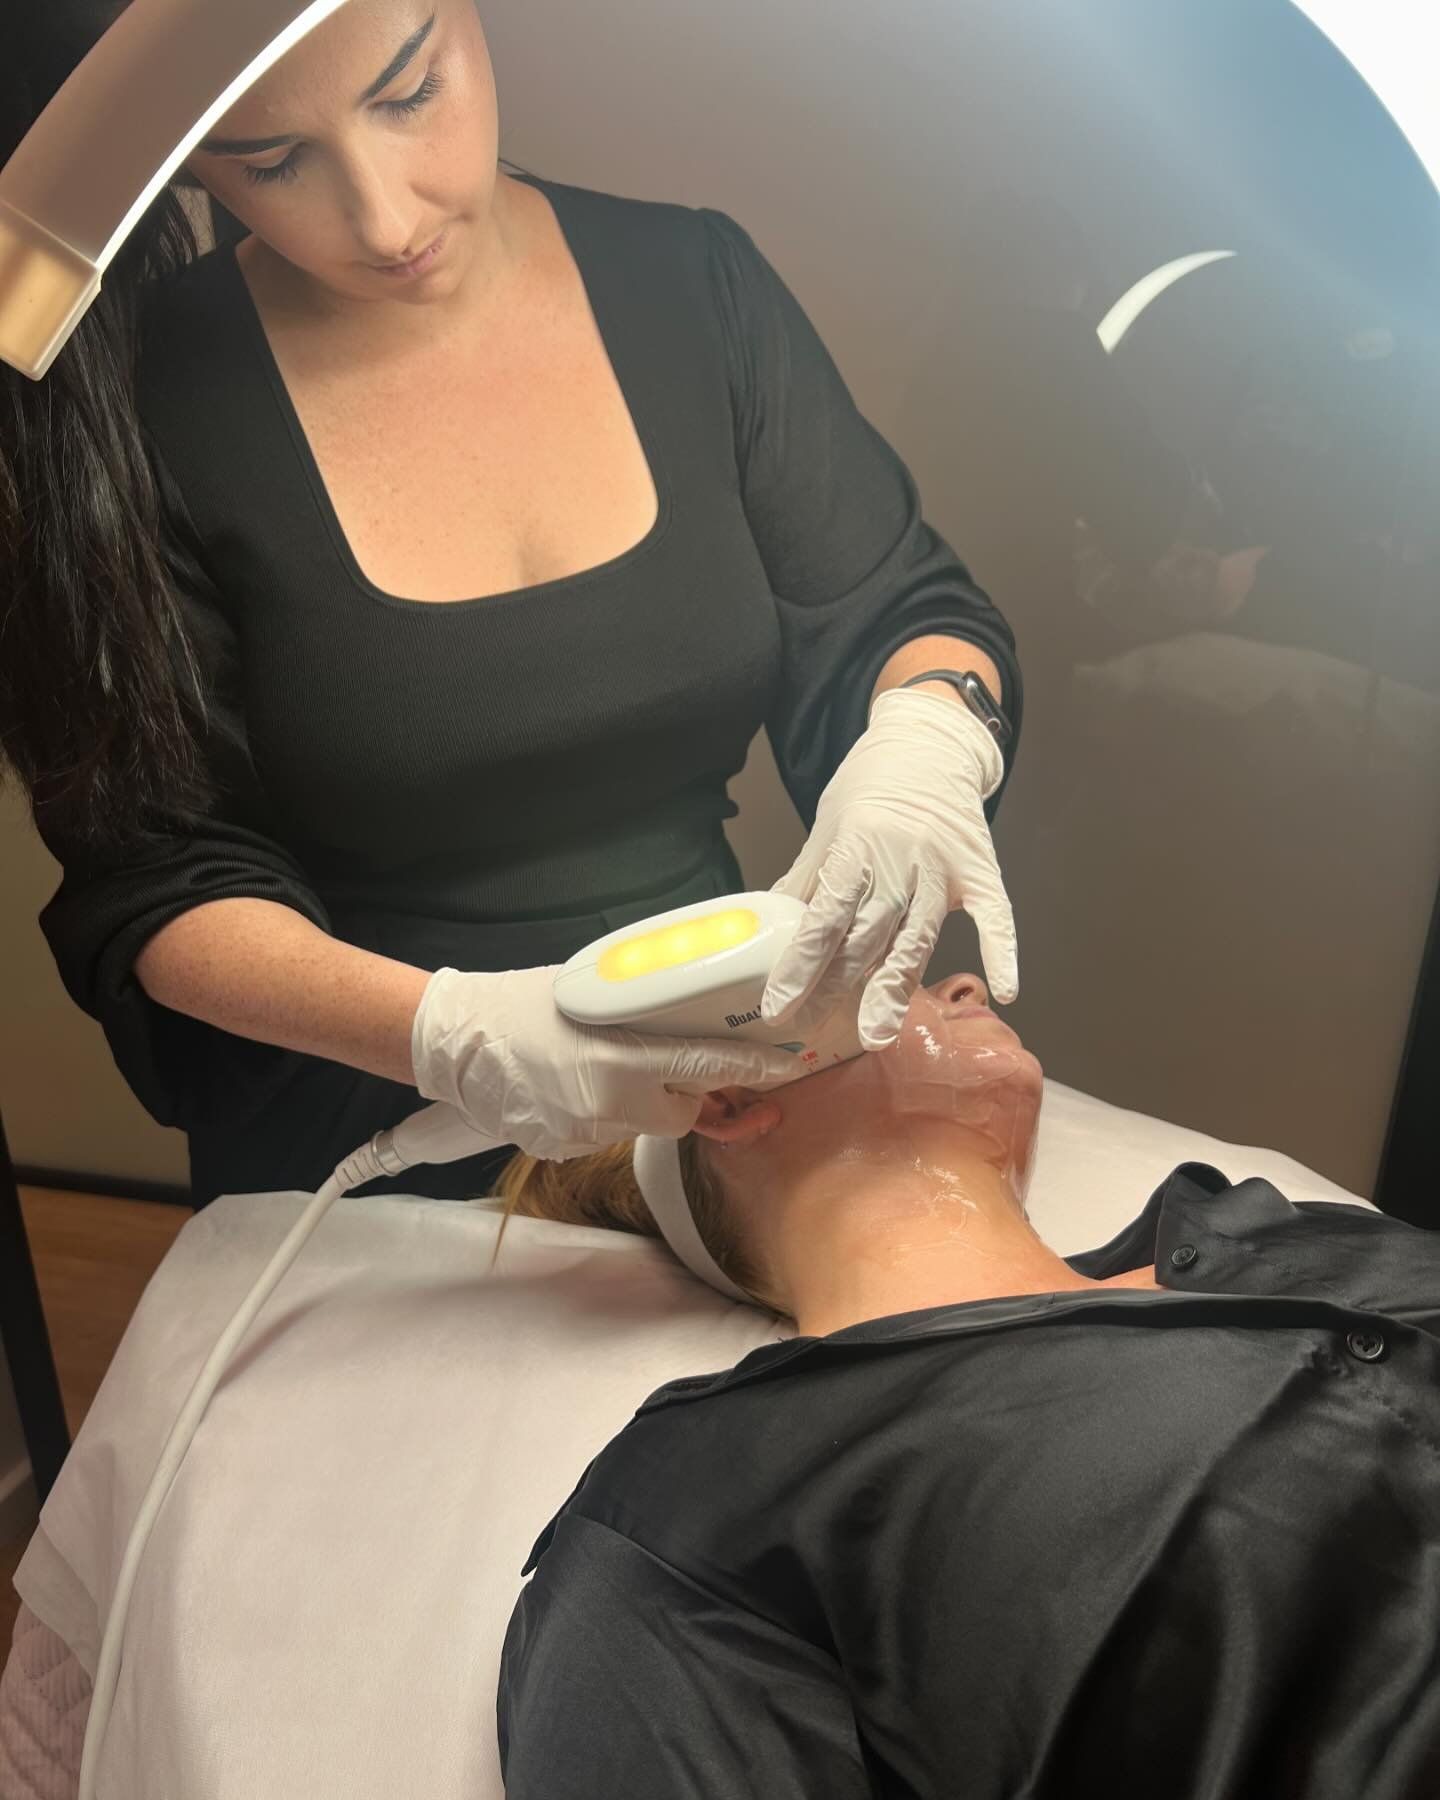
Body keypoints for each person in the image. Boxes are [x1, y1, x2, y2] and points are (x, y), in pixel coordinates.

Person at [0, 0, 1021, 1204]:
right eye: (269, 162)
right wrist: (454, 1038)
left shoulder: (694, 284)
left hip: (714, 1068)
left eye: (408, 91)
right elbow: (158, 872)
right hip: (358, 1112)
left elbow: (894, 608)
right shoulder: (139, 402)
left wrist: (926, 738)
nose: (387, 219)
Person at [496, 976, 1440, 1798]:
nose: (965, 988)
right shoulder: (695, 1518)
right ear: (731, 1094)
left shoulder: (1276, 1232)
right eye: (882, 976)